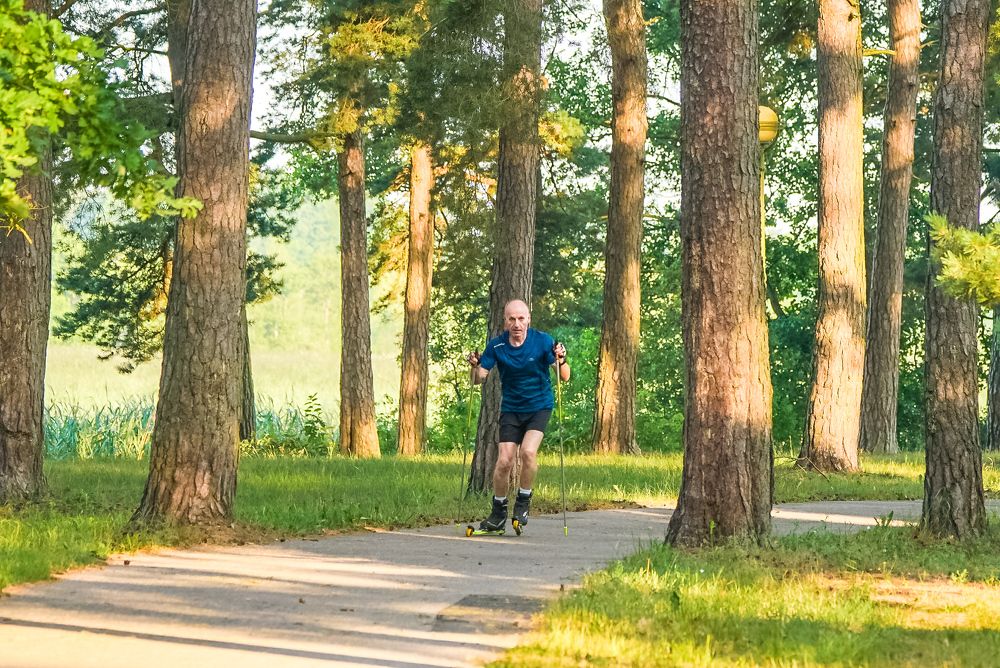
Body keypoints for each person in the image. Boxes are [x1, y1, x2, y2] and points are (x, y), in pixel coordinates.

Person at [467, 299, 569, 534]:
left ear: (528, 320)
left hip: (539, 406)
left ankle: (523, 502)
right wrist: (474, 366)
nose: (516, 324)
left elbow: (564, 376)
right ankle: (498, 513)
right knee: (504, 462)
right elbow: (478, 378)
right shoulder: (497, 346)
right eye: (511, 319)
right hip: (511, 408)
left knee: (528, 452)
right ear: (505, 322)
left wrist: (560, 358)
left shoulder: (543, 341)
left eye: (521, 319)